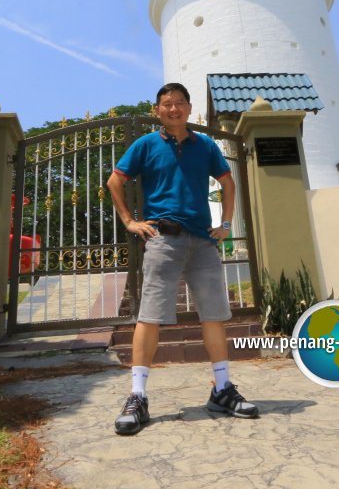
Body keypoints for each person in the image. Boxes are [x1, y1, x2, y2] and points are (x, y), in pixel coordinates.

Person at [106, 82, 259, 435]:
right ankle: (137, 396)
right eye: (166, 104)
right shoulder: (145, 145)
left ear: (189, 108)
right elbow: (115, 181)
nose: (173, 109)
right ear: (157, 111)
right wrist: (130, 221)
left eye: (179, 103)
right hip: (163, 239)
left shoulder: (204, 145)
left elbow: (228, 182)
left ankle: (221, 389)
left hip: (203, 241)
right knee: (150, 316)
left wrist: (224, 224)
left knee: (215, 314)